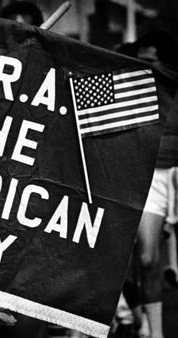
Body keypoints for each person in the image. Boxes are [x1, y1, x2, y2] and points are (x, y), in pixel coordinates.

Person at [133, 31, 178, 338]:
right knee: (137, 258)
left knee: (149, 257)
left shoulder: (173, 88)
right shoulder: (129, 84)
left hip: (162, 176)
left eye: (153, 59)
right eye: (142, 59)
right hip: (131, 174)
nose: (147, 65)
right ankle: (142, 323)